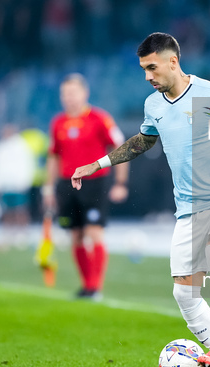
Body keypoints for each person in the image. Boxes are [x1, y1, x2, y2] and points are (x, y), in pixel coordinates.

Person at [71, 33, 210, 367]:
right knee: (183, 293)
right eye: (144, 69)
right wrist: (96, 164)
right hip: (187, 208)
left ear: (173, 61)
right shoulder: (153, 105)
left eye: (151, 67)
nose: (147, 76)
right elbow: (143, 141)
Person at [43, 74, 129, 301]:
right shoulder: (58, 123)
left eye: (73, 93)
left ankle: (95, 287)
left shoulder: (100, 118)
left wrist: (120, 183)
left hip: (95, 183)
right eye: (65, 94)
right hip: (66, 184)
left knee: (94, 232)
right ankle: (86, 286)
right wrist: (48, 188)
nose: (68, 98)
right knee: (76, 235)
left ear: (85, 94)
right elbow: (53, 157)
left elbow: (120, 147)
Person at [0, 124, 36, 250]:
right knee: (7, 210)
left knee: (20, 209)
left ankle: (22, 233)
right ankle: (8, 233)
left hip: (18, 182)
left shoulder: (22, 146)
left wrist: (26, 180)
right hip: (5, 183)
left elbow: (28, 164)